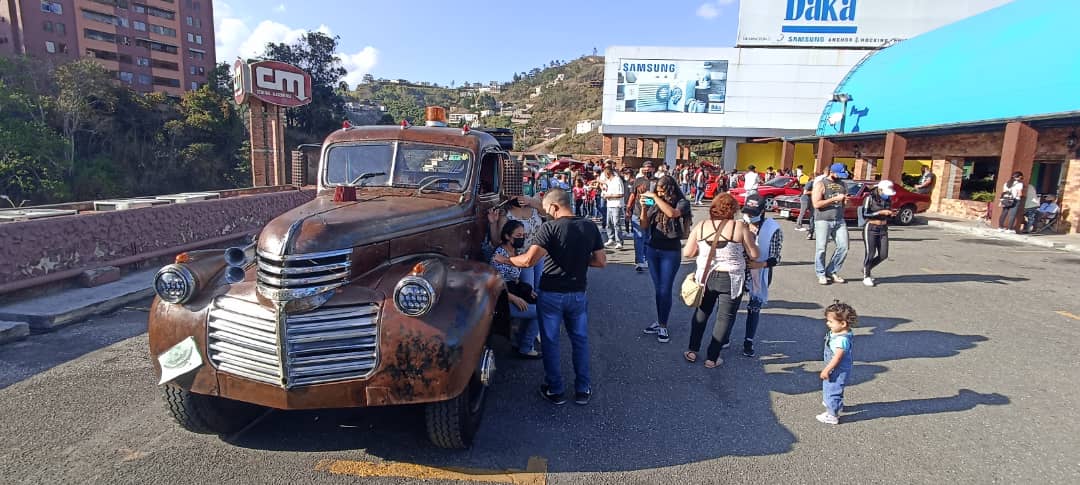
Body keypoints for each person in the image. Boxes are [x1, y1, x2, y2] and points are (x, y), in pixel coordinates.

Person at [496, 189, 606, 406]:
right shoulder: (589, 226)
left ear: (555, 207)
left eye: (547, 209)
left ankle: (555, 390)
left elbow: (528, 260)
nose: (546, 213)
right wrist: (578, 262)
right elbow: (601, 261)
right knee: (580, 341)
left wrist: (506, 260)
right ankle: (583, 389)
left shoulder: (550, 228)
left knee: (551, 342)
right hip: (578, 293)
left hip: (552, 294)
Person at [682, 193, 760, 367]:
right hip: (731, 277)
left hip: (705, 276)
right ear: (733, 210)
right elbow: (755, 254)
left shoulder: (701, 225)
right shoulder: (739, 227)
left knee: (702, 312)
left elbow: (687, 252)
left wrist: (702, 251)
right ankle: (712, 357)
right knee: (724, 317)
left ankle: (692, 350)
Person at [639, 175, 691, 343]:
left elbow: (672, 213)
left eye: (662, 191)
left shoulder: (682, 203)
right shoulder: (655, 202)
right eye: (657, 191)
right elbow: (644, 226)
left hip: (670, 251)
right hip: (653, 249)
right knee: (658, 289)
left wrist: (654, 197)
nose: (659, 194)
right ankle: (659, 320)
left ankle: (663, 325)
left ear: (670, 189)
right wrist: (643, 208)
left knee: (665, 289)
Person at [488, 219, 541, 359]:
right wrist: (514, 298)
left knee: (539, 302)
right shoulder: (498, 256)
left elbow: (514, 278)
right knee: (541, 312)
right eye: (518, 236)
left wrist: (526, 290)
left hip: (512, 292)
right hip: (502, 299)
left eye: (523, 235)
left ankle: (521, 341)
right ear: (507, 236)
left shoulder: (514, 252)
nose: (522, 238)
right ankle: (526, 347)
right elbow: (495, 284)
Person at [741, 193, 783, 358]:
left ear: (763, 211)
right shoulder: (740, 224)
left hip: (760, 271)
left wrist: (761, 264)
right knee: (730, 305)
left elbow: (776, 258)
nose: (749, 216)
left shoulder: (773, 228)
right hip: (739, 270)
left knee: (754, 307)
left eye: (753, 213)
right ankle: (724, 338)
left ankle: (748, 341)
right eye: (747, 212)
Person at [818, 300, 857, 425]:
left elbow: (837, 358)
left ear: (843, 323)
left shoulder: (841, 340)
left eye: (830, 322)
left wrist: (827, 369)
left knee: (832, 389)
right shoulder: (839, 332)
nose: (827, 323)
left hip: (836, 368)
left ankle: (832, 414)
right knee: (831, 387)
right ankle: (835, 404)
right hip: (835, 366)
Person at [812, 163, 850, 285]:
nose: (840, 177)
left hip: (839, 219)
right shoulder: (821, 184)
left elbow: (844, 203)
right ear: (831, 172)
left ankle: (832, 270)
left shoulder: (843, 184)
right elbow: (816, 204)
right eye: (838, 174)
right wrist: (833, 199)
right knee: (821, 248)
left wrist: (845, 201)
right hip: (823, 219)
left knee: (844, 247)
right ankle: (821, 273)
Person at [860, 180, 897, 287]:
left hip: (883, 228)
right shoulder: (869, 198)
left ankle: (866, 268)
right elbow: (865, 214)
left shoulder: (888, 199)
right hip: (871, 227)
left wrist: (891, 214)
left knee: (883, 254)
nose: (887, 195)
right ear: (880, 190)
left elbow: (887, 211)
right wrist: (879, 212)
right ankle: (866, 276)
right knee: (870, 253)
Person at [627, 161, 656, 273]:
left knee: (648, 238)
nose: (647, 170)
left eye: (649, 168)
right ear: (642, 169)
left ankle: (647, 258)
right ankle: (639, 261)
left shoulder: (657, 182)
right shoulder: (637, 181)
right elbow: (633, 195)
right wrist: (628, 208)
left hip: (652, 213)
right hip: (637, 213)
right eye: (645, 168)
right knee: (639, 237)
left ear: (653, 169)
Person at [600, 166, 625, 249]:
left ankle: (619, 241)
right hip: (609, 204)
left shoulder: (617, 180)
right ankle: (611, 238)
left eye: (605, 174)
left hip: (616, 205)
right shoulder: (609, 181)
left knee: (616, 223)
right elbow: (602, 182)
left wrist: (609, 196)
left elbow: (621, 194)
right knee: (609, 223)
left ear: (608, 173)